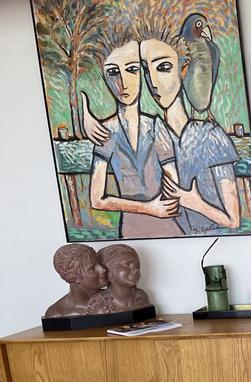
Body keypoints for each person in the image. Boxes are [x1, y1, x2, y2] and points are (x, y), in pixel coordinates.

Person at [137, 20, 241, 234]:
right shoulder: (150, 135)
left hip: (217, 240)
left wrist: (193, 201)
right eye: (146, 70)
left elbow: (233, 221)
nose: (153, 82)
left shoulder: (211, 136)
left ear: (183, 68)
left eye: (163, 68)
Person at [83, 29, 182, 239]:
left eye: (132, 69)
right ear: (104, 77)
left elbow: (173, 186)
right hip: (131, 231)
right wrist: (149, 208)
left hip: (169, 227)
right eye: (113, 72)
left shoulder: (155, 126)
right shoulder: (106, 132)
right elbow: (97, 200)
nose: (123, 82)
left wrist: (159, 207)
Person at [45, 245, 109, 317]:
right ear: (72, 277)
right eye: (92, 268)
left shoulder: (115, 301)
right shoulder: (56, 314)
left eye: (100, 264)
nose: (103, 270)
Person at [97, 244, 151, 312]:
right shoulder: (99, 303)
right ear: (109, 269)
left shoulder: (142, 297)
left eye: (137, 265)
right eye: (127, 265)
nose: (135, 270)